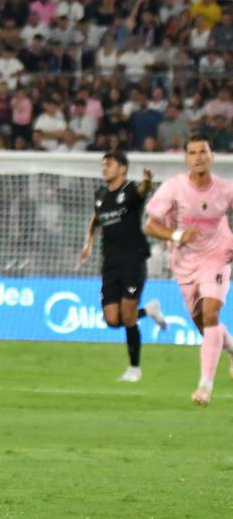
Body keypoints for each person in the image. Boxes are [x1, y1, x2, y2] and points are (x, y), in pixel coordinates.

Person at [144, 136, 233, 407]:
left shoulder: (225, 190)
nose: (198, 157)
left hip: (217, 258)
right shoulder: (174, 188)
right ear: (186, 158)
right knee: (205, 325)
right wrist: (178, 235)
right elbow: (151, 226)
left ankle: (204, 387)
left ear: (211, 156)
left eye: (203, 152)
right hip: (185, 264)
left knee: (210, 314)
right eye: (192, 153)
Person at [79, 151, 168, 382]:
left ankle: (134, 369)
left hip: (133, 260)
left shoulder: (130, 190)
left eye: (109, 164)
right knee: (111, 319)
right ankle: (149, 311)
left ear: (122, 169)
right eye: (103, 164)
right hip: (109, 263)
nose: (104, 168)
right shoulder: (100, 195)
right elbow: (95, 219)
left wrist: (147, 181)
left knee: (128, 318)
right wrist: (88, 243)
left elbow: (142, 191)